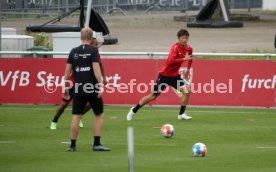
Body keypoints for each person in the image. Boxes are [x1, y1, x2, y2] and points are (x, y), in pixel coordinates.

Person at [127, 29, 193, 121]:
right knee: (153, 96)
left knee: (187, 92)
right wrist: (183, 59)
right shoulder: (175, 47)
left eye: (186, 38)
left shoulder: (189, 48)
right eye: (182, 38)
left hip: (174, 76)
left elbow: (190, 57)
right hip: (164, 76)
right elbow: (170, 61)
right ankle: (133, 110)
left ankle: (181, 114)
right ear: (178, 38)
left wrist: (188, 70)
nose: (184, 40)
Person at [64, 27, 110, 151]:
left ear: (81, 37)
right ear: (91, 38)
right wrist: (101, 86)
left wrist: (65, 87)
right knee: (99, 115)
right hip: (92, 87)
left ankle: (72, 146)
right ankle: (96, 144)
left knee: (76, 116)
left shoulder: (73, 51)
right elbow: (96, 69)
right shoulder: (94, 51)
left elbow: (67, 71)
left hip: (78, 88)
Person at [49, 34, 106, 130]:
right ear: (91, 40)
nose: (98, 44)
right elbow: (69, 69)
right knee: (64, 103)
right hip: (74, 82)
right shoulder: (79, 51)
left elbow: (100, 65)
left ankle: (78, 117)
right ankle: (54, 121)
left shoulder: (95, 52)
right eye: (96, 41)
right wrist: (65, 83)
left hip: (87, 83)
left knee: (91, 104)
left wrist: (104, 78)